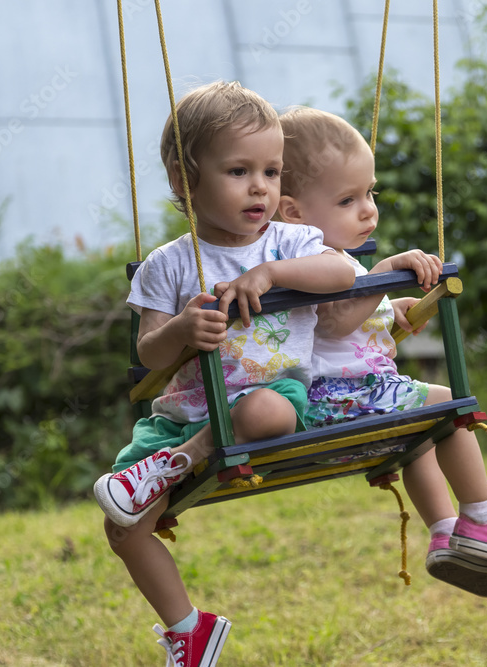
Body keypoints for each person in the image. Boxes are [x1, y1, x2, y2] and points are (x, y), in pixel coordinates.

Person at [92, 82, 356, 667]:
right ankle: (189, 629)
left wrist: (268, 274)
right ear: (187, 181)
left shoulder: (292, 240)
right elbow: (151, 355)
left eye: (272, 171)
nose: (261, 186)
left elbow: (341, 274)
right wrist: (181, 332)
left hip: (271, 394)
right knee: (121, 520)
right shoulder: (167, 265)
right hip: (182, 416)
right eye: (239, 171)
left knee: (264, 411)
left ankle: (182, 460)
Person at [274, 106, 487, 597]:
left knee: (417, 438)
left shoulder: (334, 260)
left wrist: (387, 303)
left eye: (369, 194)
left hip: (353, 393)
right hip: (333, 398)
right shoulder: (305, 261)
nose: (368, 210)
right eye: (346, 199)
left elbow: (344, 321)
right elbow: (334, 318)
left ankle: (444, 534)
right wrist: (385, 276)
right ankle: (481, 516)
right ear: (293, 212)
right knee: (446, 405)